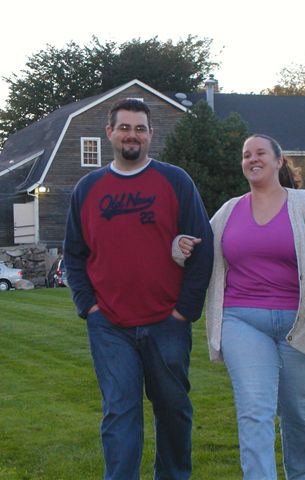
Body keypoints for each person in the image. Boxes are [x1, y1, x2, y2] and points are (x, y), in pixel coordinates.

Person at [175, 134, 305, 480]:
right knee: (254, 412)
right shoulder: (229, 211)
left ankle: (299, 475)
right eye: (246, 154)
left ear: (278, 161)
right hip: (242, 321)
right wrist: (181, 246)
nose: (252, 159)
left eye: (260, 153)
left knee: (299, 414)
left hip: (303, 321)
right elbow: (201, 249)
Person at [64, 99, 214, 480]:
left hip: (167, 322)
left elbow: (203, 246)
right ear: (110, 132)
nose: (132, 135)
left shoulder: (175, 181)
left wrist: (184, 312)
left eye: (140, 128)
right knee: (120, 413)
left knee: (173, 410)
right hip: (110, 326)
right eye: (125, 127)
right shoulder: (87, 189)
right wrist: (89, 307)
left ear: (151, 134)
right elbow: (74, 255)